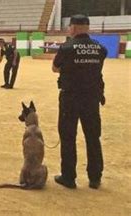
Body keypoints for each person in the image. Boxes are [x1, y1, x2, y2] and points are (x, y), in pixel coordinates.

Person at [52, 14, 107, 189]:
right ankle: (95, 177)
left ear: (73, 28)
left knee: (68, 137)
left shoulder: (67, 48)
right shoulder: (100, 49)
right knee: (93, 137)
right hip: (91, 98)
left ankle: (68, 177)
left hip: (70, 98)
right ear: (87, 27)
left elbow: (55, 68)